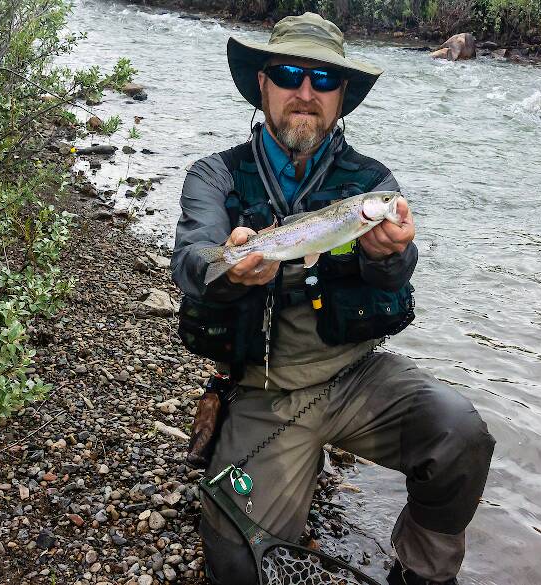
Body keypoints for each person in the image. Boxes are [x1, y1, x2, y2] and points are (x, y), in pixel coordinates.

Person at [170, 12, 495, 585]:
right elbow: (191, 259)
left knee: (459, 433)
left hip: (356, 377)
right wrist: (230, 271)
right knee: (240, 564)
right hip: (265, 388)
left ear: (341, 96)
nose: (305, 92)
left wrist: (388, 255)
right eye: (288, 74)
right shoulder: (214, 176)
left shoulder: (372, 182)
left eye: (323, 80)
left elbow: (397, 279)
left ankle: (423, 572)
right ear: (263, 84)